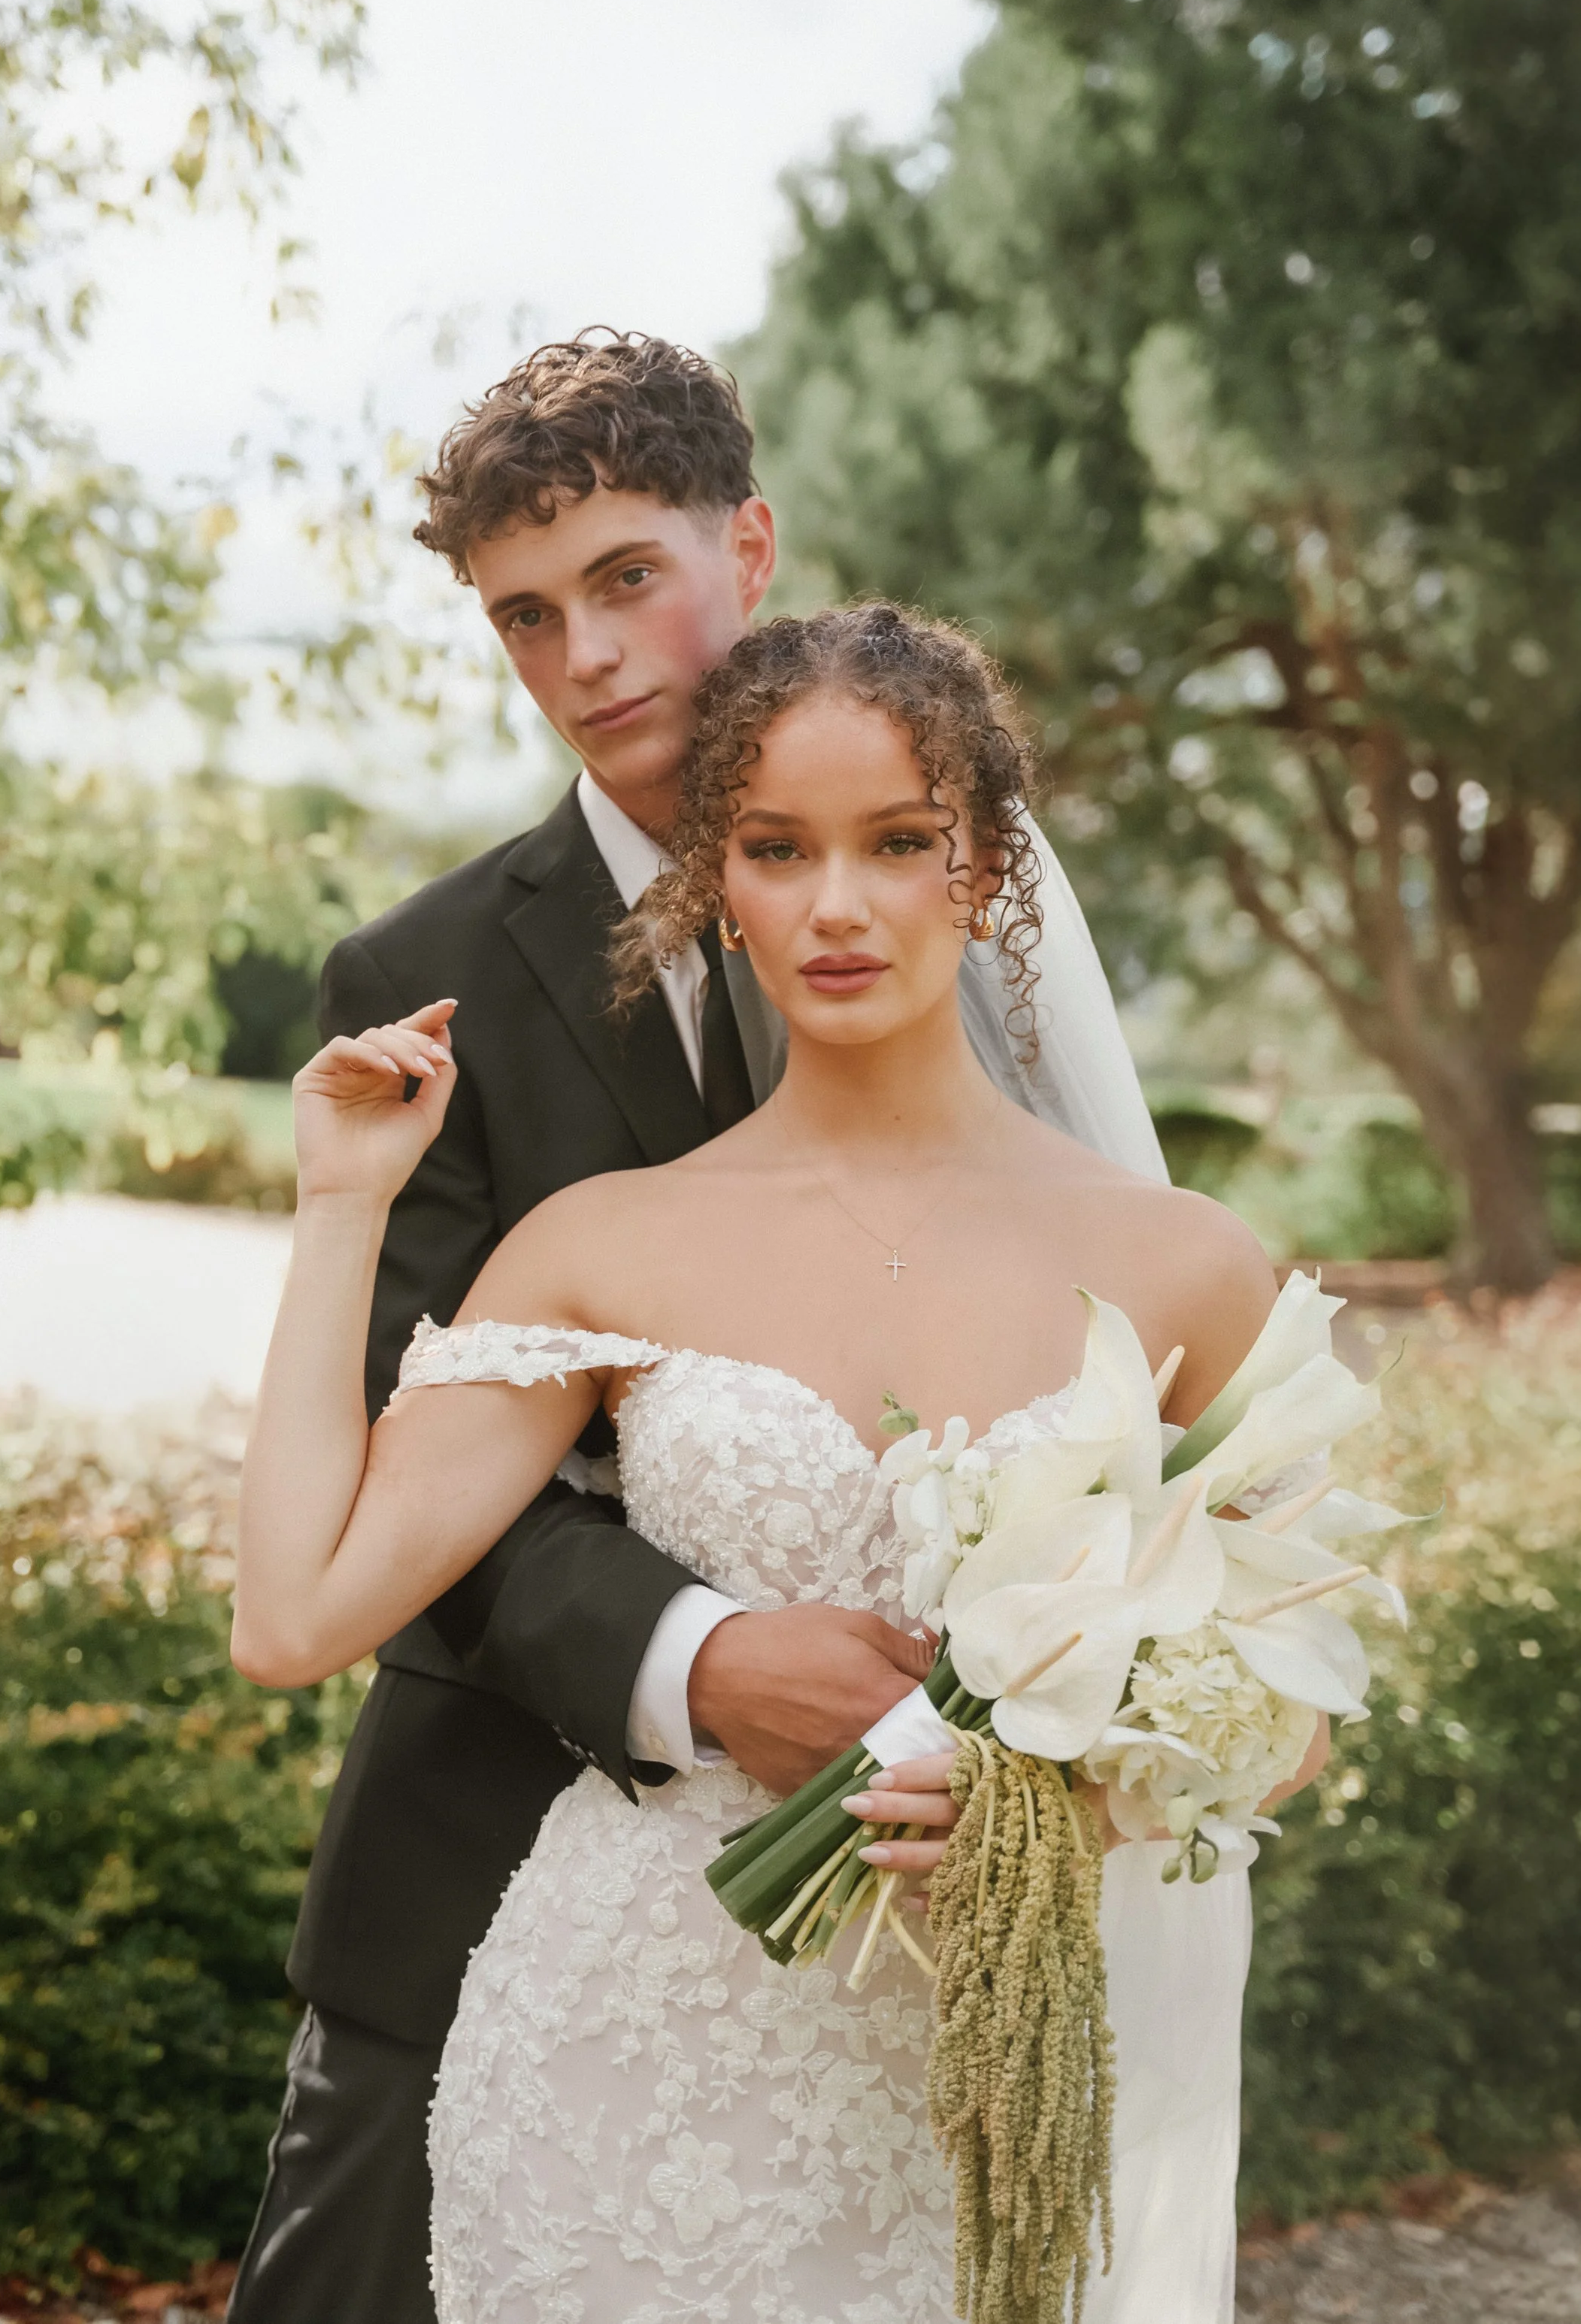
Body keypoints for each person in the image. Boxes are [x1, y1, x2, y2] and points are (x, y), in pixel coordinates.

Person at [225, 335, 1165, 2324]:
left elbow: (1119, 1442)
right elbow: (389, 1496)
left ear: (746, 540)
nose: (585, 655)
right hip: (495, 1894)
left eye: (627, 579)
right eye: (524, 618)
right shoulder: (423, 984)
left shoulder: (968, 904)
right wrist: (701, 1657)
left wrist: (1054, 1723)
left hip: (919, 1954)